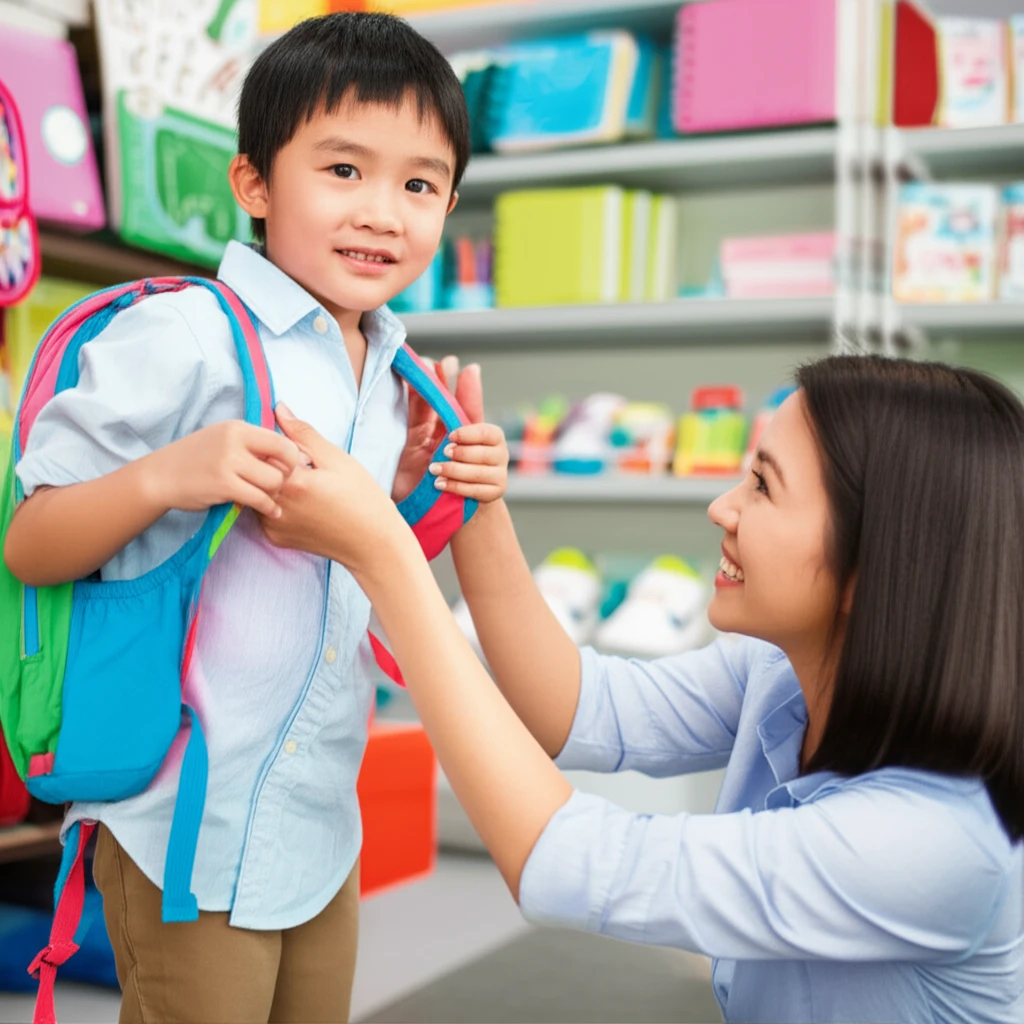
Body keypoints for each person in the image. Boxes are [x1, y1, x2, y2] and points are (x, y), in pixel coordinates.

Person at [260, 355, 1024, 1024]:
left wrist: (387, 559)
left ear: (874, 566)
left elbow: (567, 858)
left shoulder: (933, 844)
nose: (721, 507)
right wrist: (475, 498)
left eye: (761, 486)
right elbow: (583, 707)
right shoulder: (783, 670)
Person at [2, 13, 507, 1024]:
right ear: (255, 185)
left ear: (449, 203)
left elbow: (339, 568)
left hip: (321, 830)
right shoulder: (181, 334)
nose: (380, 212)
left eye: (417, 184)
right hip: (185, 828)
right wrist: (168, 475)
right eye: (343, 169)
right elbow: (29, 541)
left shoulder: (387, 370)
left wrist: (417, 489)